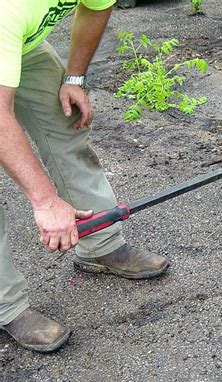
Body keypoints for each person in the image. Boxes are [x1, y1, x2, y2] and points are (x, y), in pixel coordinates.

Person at [0, 0, 170, 353]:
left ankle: (101, 244)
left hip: (24, 46)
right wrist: (45, 202)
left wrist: (74, 77)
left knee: (65, 124)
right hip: (6, 33)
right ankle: (7, 305)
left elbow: (96, 7)